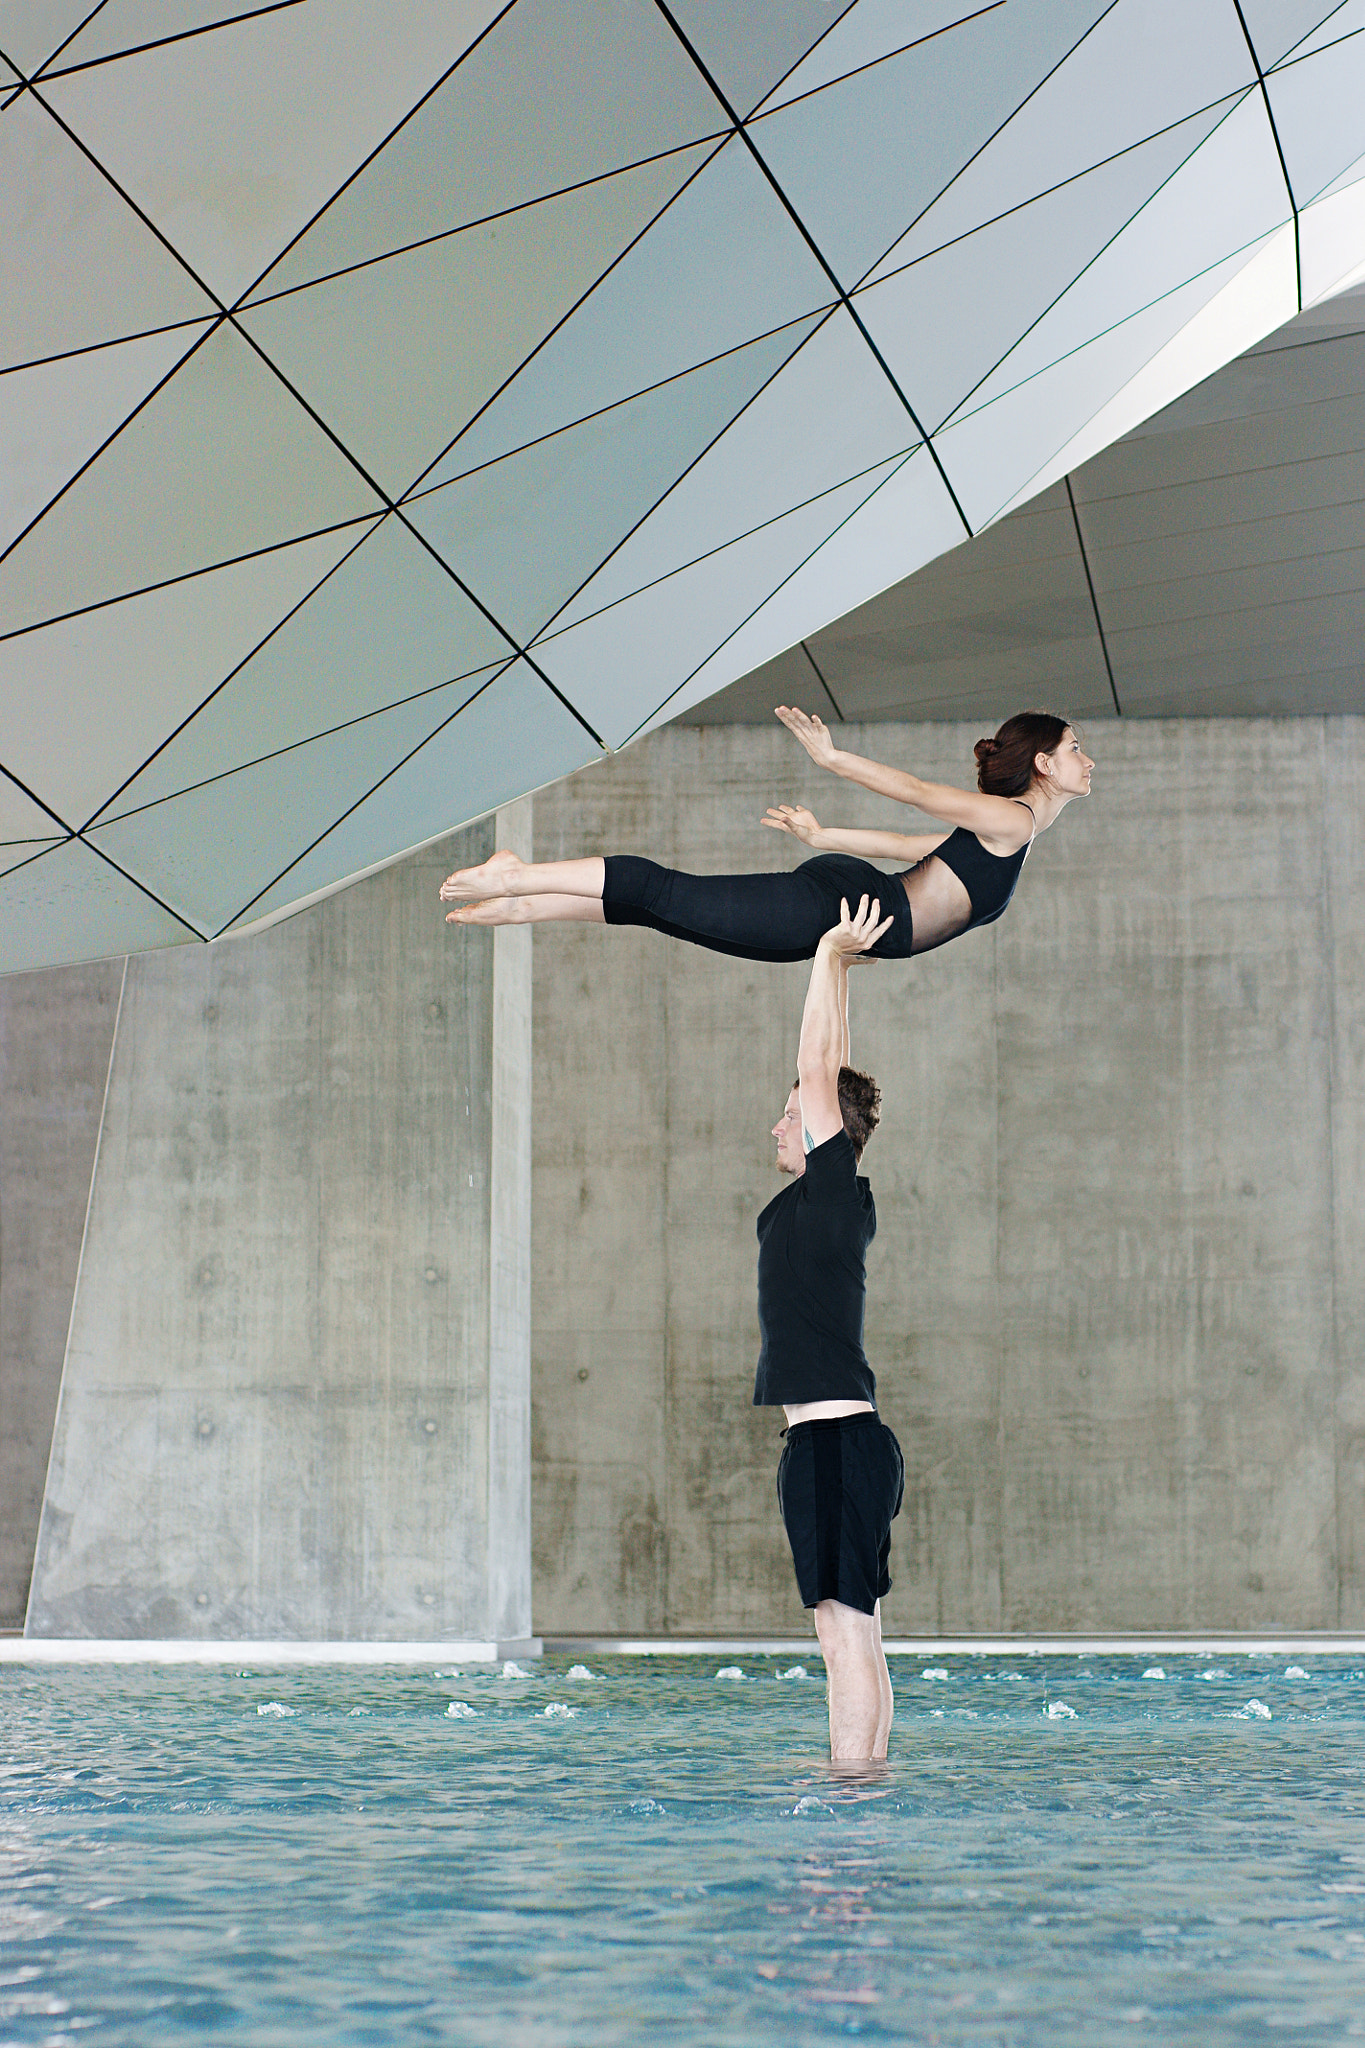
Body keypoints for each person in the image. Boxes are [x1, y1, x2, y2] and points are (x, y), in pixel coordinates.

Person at [439, 707, 1093, 961]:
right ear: (1042, 765)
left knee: (659, 913)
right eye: (1073, 749)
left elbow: (908, 848)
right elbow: (920, 797)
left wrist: (822, 835)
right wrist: (834, 761)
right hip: (836, 909)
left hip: (838, 919)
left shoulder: (1013, 837)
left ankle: (524, 904)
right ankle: (515, 875)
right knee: (657, 889)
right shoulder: (1012, 820)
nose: (1084, 759)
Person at [761, 890, 903, 1763]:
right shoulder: (836, 1194)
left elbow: (818, 1066)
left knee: (840, 1635)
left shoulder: (829, 1187)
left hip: (832, 1448)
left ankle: (847, 1804)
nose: (779, 1122)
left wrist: (822, 955)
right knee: (860, 1634)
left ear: (820, 1131)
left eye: (791, 1112)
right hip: (845, 1446)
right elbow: (833, 1070)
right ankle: (867, 1788)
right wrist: (843, 975)